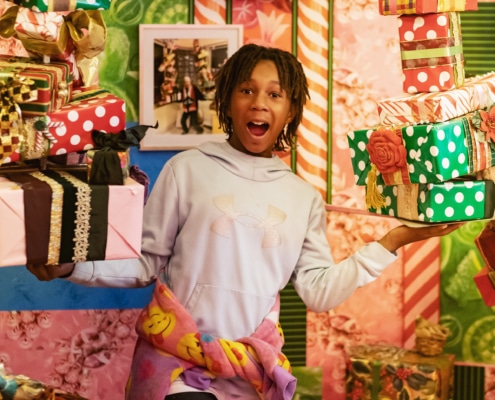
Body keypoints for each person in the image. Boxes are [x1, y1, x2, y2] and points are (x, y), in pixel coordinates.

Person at [27, 44, 462, 400]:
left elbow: (319, 292)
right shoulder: (187, 169)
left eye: (275, 95)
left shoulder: (302, 197)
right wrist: (71, 265)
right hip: (177, 363)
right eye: (247, 90)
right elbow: (143, 264)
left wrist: (395, 240)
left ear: (290, 110)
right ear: (228, 101)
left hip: (251, 370)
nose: (260, 103)